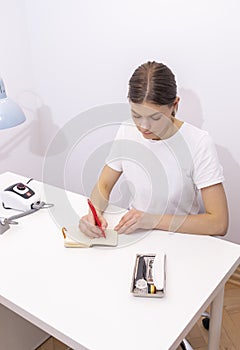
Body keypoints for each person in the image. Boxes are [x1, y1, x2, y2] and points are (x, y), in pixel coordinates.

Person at [79, 61, 228, 238]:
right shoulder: (127, 130)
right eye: (136, 115)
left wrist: (152, 220)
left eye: (155, 117)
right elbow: (103, 185)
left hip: (181, 236)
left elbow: (219, 223)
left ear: (175, 105)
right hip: (136, 231)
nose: (143, 126)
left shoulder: (198, 142)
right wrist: (93, 213)